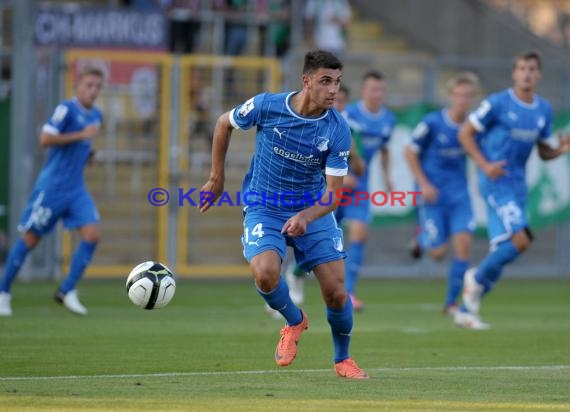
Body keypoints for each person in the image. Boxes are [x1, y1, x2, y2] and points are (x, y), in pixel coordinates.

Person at [199, 50, 368, 379]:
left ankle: (343, 359)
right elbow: (223, 124)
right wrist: (216, 178)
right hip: (264, 205)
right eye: (325, 81)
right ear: (306, 81)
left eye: (337, 82)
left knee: (335, 291)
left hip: (312, 210)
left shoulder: (337, 130)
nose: (333, 90)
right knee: (264, 272)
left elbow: (335, 194)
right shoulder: (267, 105)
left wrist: (306, 216)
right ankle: (294, 322)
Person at [456, 51, 570, 329]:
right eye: (522, 68)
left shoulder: (543, 110)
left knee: (508, 249)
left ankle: (465, 310)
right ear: (514, 73)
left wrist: (559, 150)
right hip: (496, 179)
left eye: (532, 69)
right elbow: (465, 133)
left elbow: (543, 152)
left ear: (539, 75)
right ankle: (475, 279)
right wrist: (484, 164)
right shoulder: (497, 103)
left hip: (518, 184)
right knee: (522, 239)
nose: (527, 73)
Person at [0, 66, 104, 317]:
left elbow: (82, 144)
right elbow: (45, 139)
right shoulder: (65, 109)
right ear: (77, 86)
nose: (93, 91)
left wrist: (89, 153)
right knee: (30, 239)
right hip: (52, 187)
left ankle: (66, 290)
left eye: (98, 86)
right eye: (89, 85)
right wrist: (80, 135)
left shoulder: (96, 115)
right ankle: (3, 292)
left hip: (76, 188)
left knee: (92, 235)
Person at [404, 72, 480, 316]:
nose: (463, 100)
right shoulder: (433, 122)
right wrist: (424, 183)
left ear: (473, 98)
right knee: (437, 253)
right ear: (450, 96)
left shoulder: (473, 127)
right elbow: (409, 151)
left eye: (468, 96)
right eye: (459, 95)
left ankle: (450, 303)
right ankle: (422, 237)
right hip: (433, 195)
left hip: (459, 194)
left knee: (464, 244)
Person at [335, 70, 396, 311]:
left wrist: (387, 177)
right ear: (363, 91)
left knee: (359, 234)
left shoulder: (388, 119)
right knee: (324, 238)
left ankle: (348, 292)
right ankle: (296, 273)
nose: (377, 94)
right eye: (373, 89)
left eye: (380, 90)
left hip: (359, 186)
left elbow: (385, 149)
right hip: (335, 185)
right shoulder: (349, 114)